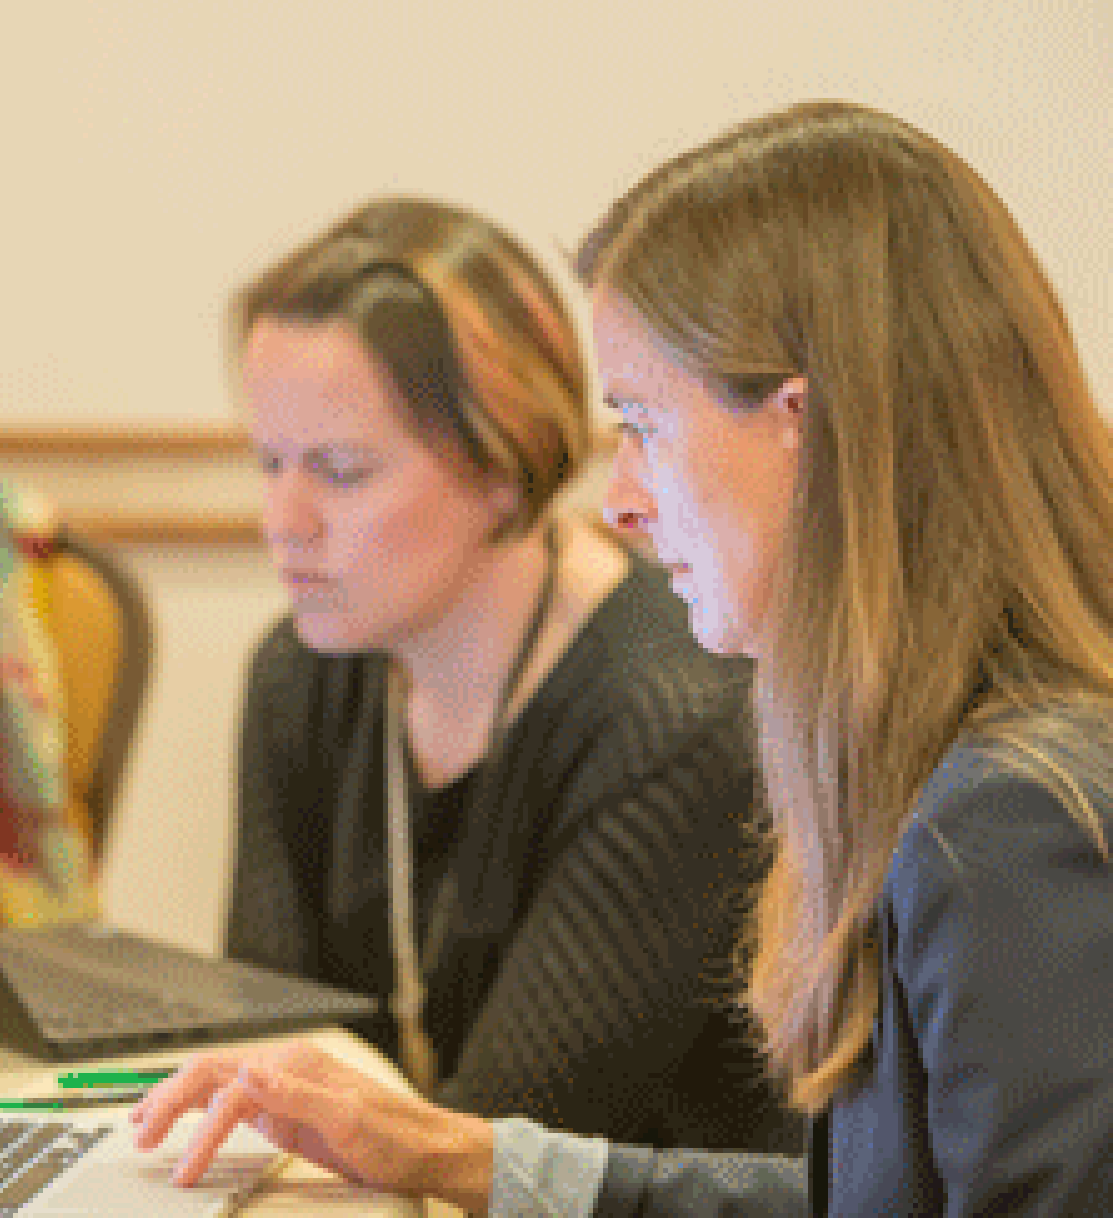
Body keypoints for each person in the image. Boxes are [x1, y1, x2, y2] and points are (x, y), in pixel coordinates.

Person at [131, 103, 1113, 1214]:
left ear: (801, 428)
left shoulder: (1013, 820)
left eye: (644, 423)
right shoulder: (953, 770)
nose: (622, 502)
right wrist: (457, 1156)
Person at [217, 195, 799, 1152]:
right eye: (268, 462)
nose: (285, 519)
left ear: (508, 462)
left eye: (341, 470)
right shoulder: (297, 676)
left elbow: (509, 1152)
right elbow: (268, 1058)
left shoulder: (674, 715)